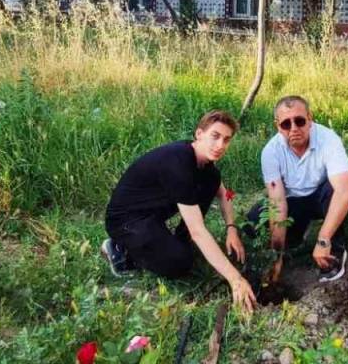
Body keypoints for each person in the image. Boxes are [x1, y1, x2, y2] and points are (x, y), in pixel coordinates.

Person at [101, 109, 256, 313]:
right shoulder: (178, 162)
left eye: (226, 140)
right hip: (126, 221)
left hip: (151, 218)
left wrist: (231, 228)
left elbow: (226, 194)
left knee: (211, 183)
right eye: (215, 136)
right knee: (179, 263)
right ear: (199, 134)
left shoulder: (207, 167)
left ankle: (178, 243)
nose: (220, 145)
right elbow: (198, 230)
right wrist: (235, 278)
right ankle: (121, 250)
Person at [247, 95, 348, 282]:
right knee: (254, 219)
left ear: (310, 118)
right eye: (286, 124)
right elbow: (277, 202)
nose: (294, 129)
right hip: (293, 202)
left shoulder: (328, 140)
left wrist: (323, 239)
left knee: (338, 190)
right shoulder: (271, 152)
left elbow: (347, 190)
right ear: (277, 126)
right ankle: (296, 236)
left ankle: (334, 248)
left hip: (322, 196)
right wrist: (277, 255)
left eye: (299, 121)